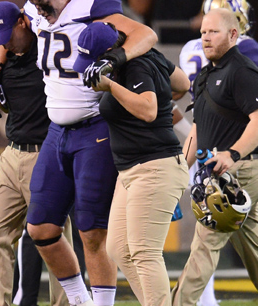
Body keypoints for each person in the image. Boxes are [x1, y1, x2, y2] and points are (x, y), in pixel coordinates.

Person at [0, 0, 158, 306]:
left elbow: (147, 35)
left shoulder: (92, 3)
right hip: (56, 131)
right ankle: (80, 300)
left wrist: (115, 57)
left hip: (94, 128)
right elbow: (10, 26)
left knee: (91, 231)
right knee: (40, 228)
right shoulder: (35, 8)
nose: (45, 16)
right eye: (38, 9)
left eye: (49, 7)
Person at [171, 8, 258, 306]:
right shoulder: (204, 76)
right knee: (253, 245)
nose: (206, 37)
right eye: (202, 32)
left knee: (206, 242)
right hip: (218, 171)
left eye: (213, 31)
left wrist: (234, 153)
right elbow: (197, 132)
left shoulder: (242, 71)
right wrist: (175, 170)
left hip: (242, 170)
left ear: (233, 34)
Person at [75, 21, 190, 305]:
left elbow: (149, 111)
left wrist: (113, 87)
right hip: (133, 168)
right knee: (119, 248)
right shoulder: (146, 57)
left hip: (154, 165)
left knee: (144, 252)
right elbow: (182, 84)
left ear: (109, 51)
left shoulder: (136, 65)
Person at [0, 1, 75, 306]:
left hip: (46, 152)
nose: (4, 42)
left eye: (8, 34)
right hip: (11, 154)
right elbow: (5, 106)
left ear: (24, 22)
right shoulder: (2, 58)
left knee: (55, 239)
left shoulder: (48, 49)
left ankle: (68, 303)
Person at [174, 0, 258, 306]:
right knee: (217, 229)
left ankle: (203, 297)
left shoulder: (189, 48)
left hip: (202, 136)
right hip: (230, 144)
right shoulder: (245, 47)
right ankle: (203, 299)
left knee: (213, 225)